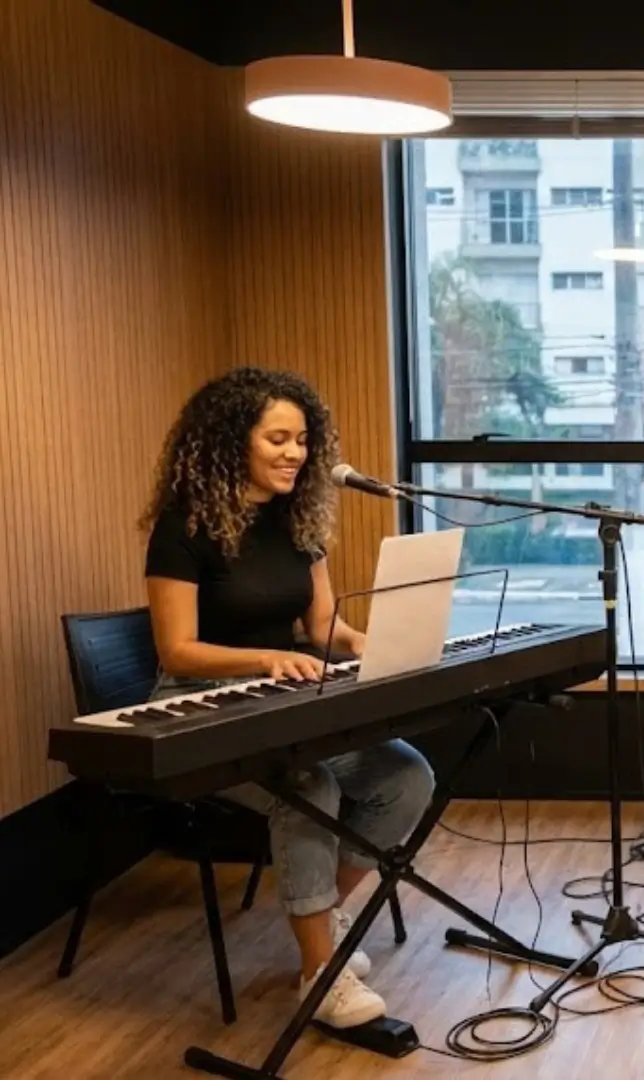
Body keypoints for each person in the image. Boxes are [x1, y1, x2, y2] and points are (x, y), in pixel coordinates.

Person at [140, 366, 435, 1029]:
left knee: (405, 777)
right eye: (278, 439)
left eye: (302, 440)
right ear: (231, 442)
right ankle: (320, 976)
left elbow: (324, 628)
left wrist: (367, 641)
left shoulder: (298, 523)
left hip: (281, 701)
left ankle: (324, 920)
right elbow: (177, 650)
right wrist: (268, 658)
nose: (295, 454)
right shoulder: (182, 528)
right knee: (309, 786)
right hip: (199, 707)